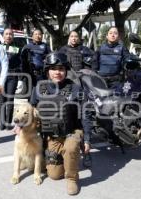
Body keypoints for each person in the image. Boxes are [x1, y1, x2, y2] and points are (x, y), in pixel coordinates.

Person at [30, 52, 92, 195]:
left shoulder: (76, 88)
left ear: (66, 71)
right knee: (54, 175)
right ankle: (67, 160)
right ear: (47, 71)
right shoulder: (40, 88)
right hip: (52, 135)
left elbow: (85, 114)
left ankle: (72, 178)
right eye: (53, 69)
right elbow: (31, 109)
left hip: (72, 131)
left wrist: (87, 138)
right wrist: (21, 125)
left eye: (61, 69)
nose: (57, 72)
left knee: (71, 148)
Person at [0, 28, 21, 131]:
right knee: (2, 101)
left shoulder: (17, 48)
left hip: (12, 76)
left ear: (13, 36)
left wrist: (20, 76)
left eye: (10, 34)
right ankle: (2, 123)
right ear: (3, 36)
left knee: (9, 100)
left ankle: (8, 123)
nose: (8, 36)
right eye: (6, 34)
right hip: (2, 77)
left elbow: (19, 63)